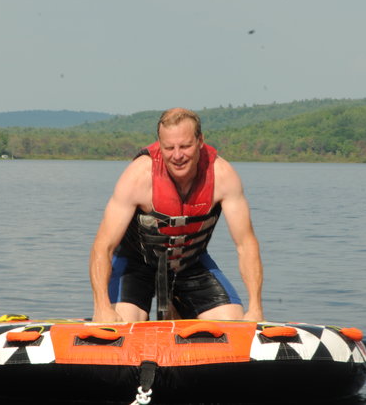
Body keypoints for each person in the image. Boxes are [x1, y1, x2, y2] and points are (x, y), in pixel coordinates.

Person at [89, 108, 263, 322]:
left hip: (189, 265)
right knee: (123, 322)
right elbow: (103, 246)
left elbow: (246, 244)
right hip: (135, 266)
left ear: (200, 141)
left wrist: (255, 307)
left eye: (185, 146)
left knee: (231, 321)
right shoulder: (138, 177)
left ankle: (178, 309)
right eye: (169, 148)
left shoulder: (222, 176)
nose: (178, 155)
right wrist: (102, 307)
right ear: (159, 145)